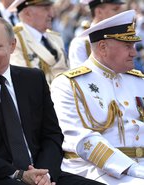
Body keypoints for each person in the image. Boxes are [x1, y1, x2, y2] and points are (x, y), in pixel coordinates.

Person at [0, 16, 105, 185]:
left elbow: (51, 134)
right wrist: (19, 174)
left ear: (12, 46)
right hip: (1, 178)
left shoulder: (34, 79)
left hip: (43, 174)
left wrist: (45, 174)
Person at [50, 10, 144, 184]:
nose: (134, 53)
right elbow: (82, 140)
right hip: (97, 171)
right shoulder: (69, 84)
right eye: (127, 46)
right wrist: (133, 169)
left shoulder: (138, 80)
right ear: (102, 47)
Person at [7, 0, 68, 85]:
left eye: (51, 8)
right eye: (46, 9)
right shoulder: (15, 39)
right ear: (28, 13)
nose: (51, 14)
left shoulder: (56, 37)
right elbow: (24, 81)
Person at [68, 0, 125, 69]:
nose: (121, 14)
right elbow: (80, 78)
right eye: (115, 9)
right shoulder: (81, 43)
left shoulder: (123, 38)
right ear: (99, 12)